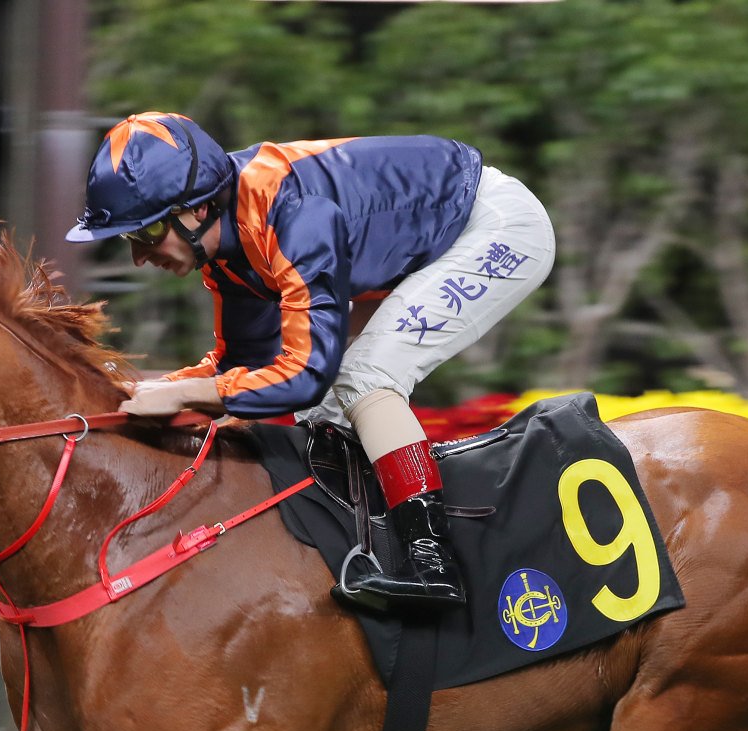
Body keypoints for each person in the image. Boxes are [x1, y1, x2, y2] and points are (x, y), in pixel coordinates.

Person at [66, 112, 555, 611]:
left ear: (198, 209)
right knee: (325, 409)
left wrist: (188, 393)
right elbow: (243, 367)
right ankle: (371, 548)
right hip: (436, 237)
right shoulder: (230, 253)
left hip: (496, 225)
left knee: (362, 377)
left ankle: (433, 562)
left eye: (146, 234)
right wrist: (145, 392)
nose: (139, 259)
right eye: (129, 241)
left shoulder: (294, 216)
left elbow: (306, 377)